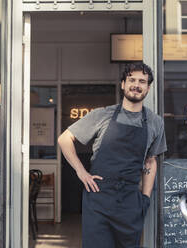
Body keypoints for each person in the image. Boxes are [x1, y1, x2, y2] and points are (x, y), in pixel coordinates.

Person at [58, 62, 167, 248]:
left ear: (148, 88)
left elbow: (150, 160)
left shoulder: (155, 123)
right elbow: (64, 139)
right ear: (123, 84)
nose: (136, 85)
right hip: (99, 198)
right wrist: (81, 172)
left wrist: (145, 198)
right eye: (131, 79)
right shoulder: (103, 115)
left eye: (142, 81)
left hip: (130, 202)